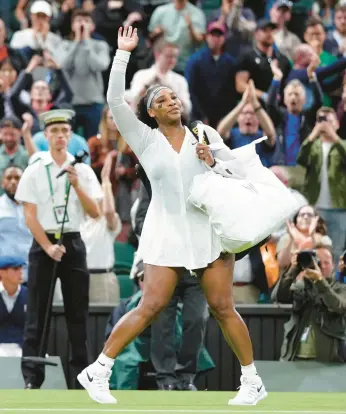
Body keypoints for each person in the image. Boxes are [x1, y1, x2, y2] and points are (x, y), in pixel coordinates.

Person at [77, 26, 267, 406]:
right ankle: (99, 370)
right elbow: (115, 99)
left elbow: (237, 176)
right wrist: (123, 54)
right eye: (163, 99)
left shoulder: (204, 133)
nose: (173, 101)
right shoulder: (144, 140)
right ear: (151, 111)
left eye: (175, 97)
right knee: (149, 305)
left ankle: (252, 382)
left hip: (207, 231)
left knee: (222, 306)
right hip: (165, 232)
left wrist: (213, 161)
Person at [15, 108, 103, 390]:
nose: (60, 136)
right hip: (43, 244)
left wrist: (77, 185)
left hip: (73, 241)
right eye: (54, 131)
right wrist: (48, 247)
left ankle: (80, 380)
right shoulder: (34, 169)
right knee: (36, 314)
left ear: (70, 135)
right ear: (46, 135)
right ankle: (31, 377)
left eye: (65, 131)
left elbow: (96, 212)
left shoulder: (83, 169)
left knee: (78, 314)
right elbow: (29, 214)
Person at [272, 245, 346, 362]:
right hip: (294, 356)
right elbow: (279, 297)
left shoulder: (341, 287)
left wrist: (320, 282)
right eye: (318, 262)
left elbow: (339, 307)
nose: (321, 266)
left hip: (327, 359)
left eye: (326, 263)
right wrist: (293, 269)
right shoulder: (302, 286)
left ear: (333, 265)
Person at [297, 106, 346, 263]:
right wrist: (313, 135)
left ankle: (334, 286)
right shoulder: (313, 146)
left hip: (339, 208)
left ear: (337, 124)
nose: (325, 125)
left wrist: (334, 137)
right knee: (312, 248)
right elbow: (301, 159)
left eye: (329, 121)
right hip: (314, 208)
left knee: (336, 251)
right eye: (321, 121)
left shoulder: (342, 145)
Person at [81, 152, 122, 306]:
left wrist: (106, 181)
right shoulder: (77, 222)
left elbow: (109, 211)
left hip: (103, 279)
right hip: (80, 279)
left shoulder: (107, 223)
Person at [0, 166, 32, 283]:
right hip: (4, 273)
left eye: (17, 178)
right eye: (9, 178)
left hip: (31, 271)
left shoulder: (34, 207)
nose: (13, 182)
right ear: (2, 183)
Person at [0, 255, 27, 357]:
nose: (21, 272)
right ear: (2, 272)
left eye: (21, 268)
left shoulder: (30, 295)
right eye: (16, 269)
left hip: (22, 348)